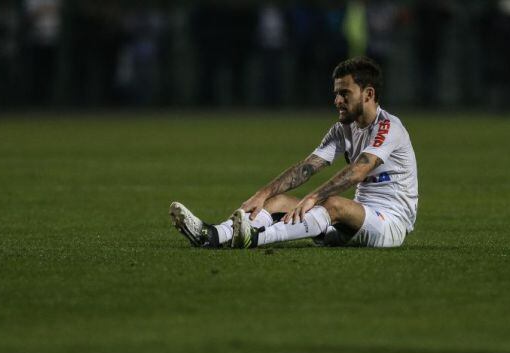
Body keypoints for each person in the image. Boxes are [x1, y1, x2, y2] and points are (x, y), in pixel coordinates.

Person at [169, 56, 418, 249]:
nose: (337, 101)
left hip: (390, 223)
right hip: (356, 220)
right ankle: (212, 235)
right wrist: (261, 194)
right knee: (276, 202)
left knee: (331, 204)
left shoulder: (389, 127)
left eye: (345, 94)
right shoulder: (344, 129)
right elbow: (307, 167)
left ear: (369, 94)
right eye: (336, 94)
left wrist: (312, 198)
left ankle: (254, 238)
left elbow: (358, 170)